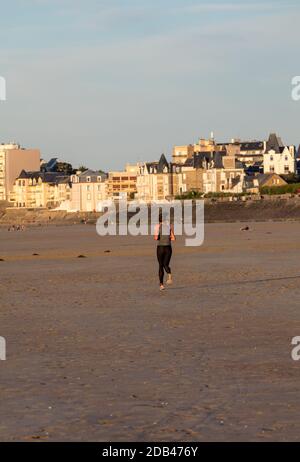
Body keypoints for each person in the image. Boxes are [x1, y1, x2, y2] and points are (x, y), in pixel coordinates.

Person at [154, 214, 176, 290]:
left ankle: (161, 285)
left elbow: (156, 237)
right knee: (166, 264)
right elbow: (173, 238)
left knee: (160, 265)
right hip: (168, 248)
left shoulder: (157, 226)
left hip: (160, 248)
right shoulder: (170, 226)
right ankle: (169, 275)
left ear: (159, 219)